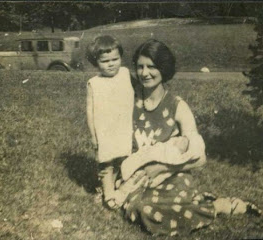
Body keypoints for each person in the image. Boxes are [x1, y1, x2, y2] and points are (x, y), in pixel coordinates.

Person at [106, 39, 261, 237]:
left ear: (164, 68)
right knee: (143, 209)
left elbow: (200, 157)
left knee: (156, 209)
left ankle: (217, 206)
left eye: (152, 67)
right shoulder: (130, 100)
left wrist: (162, 168)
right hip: (137, 176)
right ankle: (201, 203)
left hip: (172, 173)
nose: (145, 73)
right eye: (140, 66)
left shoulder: (178, 106)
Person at [86, 35, 134, 206]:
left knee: (123, 160)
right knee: (106, 163)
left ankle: (119, 187)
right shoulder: (94, 83)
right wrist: (93, 135)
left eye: (115, 59)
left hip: (124, 127)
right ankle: (108, 194)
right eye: (105, 61)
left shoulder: (126, 74)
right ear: (96, 62)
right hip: (105, 130)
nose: (111, 64)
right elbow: (90, 112)